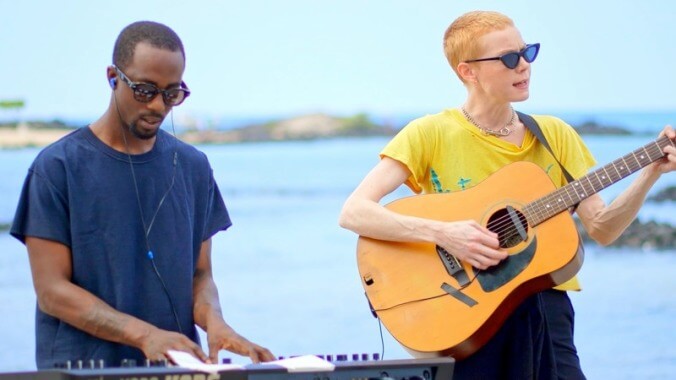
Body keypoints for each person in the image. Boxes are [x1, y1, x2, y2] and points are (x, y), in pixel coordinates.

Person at [339, 10, 675, 380]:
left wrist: (650, 174)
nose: (524, 67)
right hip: (465, 311)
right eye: (510, 59)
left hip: (546, 306)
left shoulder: (554, 135)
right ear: (468, 72)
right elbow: (355, 212)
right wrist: (445, 234)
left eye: (527, 53)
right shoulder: (429, 134)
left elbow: (603, 229)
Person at [11, 21, 275, 369]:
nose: (157, 106)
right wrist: (144, 335)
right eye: (145, 90)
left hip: (176, 370)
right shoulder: (57, 168)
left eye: (171, 93)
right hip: (82, 372)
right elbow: (51, 292)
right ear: (112, 77)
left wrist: (216, 323)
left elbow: (199, 276)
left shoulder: (194, 167)